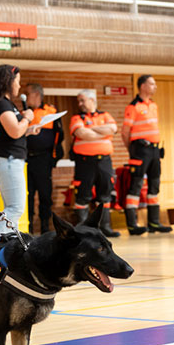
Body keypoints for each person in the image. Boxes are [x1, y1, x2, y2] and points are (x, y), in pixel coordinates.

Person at [0, 64, 38, 236]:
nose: (19, 86)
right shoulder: (1, 105)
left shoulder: (5, 104)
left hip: (7, 160)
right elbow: (15, 131)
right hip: (7, 160)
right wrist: (27, 119)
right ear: (8, 81)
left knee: (12, 208)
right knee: (15, 208)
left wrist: (28, 130)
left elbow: (13, 132)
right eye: (17, 81)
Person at [122, 75, 171, 235]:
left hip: (155, 150)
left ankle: (154, 223)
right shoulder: (133, 106)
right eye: (152, 84)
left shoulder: (154, 105)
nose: (155, 87)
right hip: (140, 149)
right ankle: (132, 225)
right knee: (136, 186)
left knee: (154, 185)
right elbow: (125, 132)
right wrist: (133, 150)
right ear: (143, 86)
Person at [71, 89, 119, 237]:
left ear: (92, 100)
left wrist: (91, 129)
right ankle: (83, 231)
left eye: (82, 100)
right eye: (78, 101)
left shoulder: (105, 115)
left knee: (105, 196)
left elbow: (113, 128)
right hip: (85, 163)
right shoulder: (76, 118)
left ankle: (105, 228)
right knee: (83, 196)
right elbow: (82, 133)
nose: (80, 104)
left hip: (104, 161)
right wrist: (102, 132)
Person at [22, 83, 64, 235]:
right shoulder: (23, 112)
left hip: (44, 160)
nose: (25, 96)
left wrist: (54, 157)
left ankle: (45, 227)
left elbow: (59, 136)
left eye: (27, 93)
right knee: (28, 195)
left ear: (36, 95)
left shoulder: (50, 111)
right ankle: (29, 228)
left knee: (45, 194)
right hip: (26, 160)